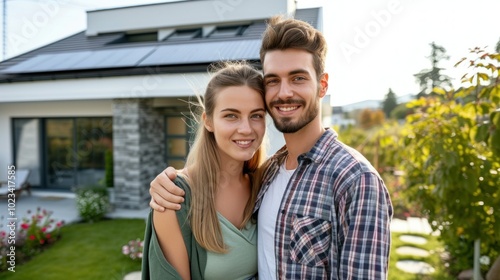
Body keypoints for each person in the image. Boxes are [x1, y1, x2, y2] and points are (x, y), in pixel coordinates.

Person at [149, 15, 393, 279]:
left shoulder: (356, 180)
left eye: (298, 78)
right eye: (273, 80)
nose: (284, 92)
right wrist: (169, 182)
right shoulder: (267, 176)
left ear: (322, 85)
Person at [141, 62, 267, 280]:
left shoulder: (266, 184)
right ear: (208, 121)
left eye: (256, 115)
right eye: (231, 115)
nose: (246, 129)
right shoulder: (173, 198)